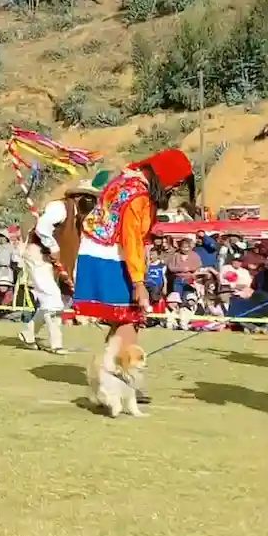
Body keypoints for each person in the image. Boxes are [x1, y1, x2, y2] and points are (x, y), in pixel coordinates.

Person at [74, 148, 196, 404]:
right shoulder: (137, 196)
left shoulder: (129, 181)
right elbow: (131, 240)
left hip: (104, 253)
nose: (174, 189)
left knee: (123, 322)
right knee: (129, 318)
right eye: (174, 184)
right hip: (110, 258)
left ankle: (105, 377)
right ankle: (123, 383)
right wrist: (139, 283)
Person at [18, 174, 104, 354]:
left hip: (57, 262)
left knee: (59, 300)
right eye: (86, 197)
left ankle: (28, 333)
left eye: (93, 198)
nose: (90, 202)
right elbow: (43, 227)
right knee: (52, 299)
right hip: (38, 255)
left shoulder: (81, 219)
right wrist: (52, 246)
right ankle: (56, 344)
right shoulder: (60, 207)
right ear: (77, 196)